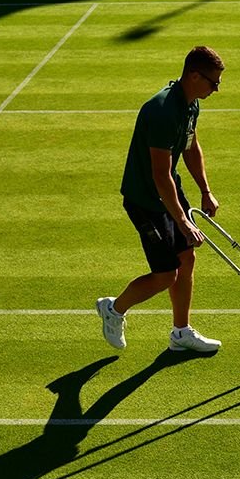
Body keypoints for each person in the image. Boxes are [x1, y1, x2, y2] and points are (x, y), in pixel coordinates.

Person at [96, 45, 225, 353]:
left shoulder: (190, 104)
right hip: (145, 199)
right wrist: (182, 220)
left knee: (187, 257)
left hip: (167, 189)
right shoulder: (162, 111)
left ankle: (181, 333)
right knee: (167, 274)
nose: (216, 89)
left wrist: (205, 190)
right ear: (194, 76)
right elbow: (159, 174)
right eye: (213, 82)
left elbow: (191, 148)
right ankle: (113, 310)